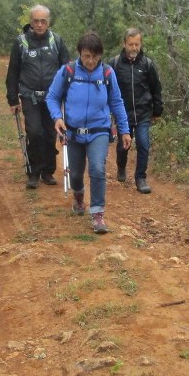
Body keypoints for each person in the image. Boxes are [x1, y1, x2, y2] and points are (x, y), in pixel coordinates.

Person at [47, 31, 131, 234]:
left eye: (95, 56)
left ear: (101, 55)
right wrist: (57, 117)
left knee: (97, 168)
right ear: (79, 53)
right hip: (73, 132)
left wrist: (124, 130)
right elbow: (52, 96)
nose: (91, 61)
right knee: (76, 173)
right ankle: (78, 195)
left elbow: (117, 103)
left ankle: (97, 214)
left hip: (99, 131)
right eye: (86, 55)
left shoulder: (108, 74)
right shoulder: (68, 71)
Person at [5, 5, 69, 189]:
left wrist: (68, 94)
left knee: (50, 133)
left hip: (52, 97)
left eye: (43, 21)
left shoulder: (56, 41)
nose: (40, 24)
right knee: (34, 132)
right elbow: (13, 72)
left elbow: (66, 69)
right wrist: (12, 99)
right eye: (36, 21)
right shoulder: (21, 43)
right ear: (30, 22)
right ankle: (33, 172)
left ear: (48, 22)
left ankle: (48, 171)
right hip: (29, 95)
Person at [109, 27, 164, 194]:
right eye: (131, 44)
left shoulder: (147, 64)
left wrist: (157, 110)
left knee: (143, 144)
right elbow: (107, 87)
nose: (134, 48)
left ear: (140, 44)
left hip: (143, 112)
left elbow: (156, 88)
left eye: (137, 44)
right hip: (122, 113)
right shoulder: (115, 63)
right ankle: (121, 167)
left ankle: (140, 177)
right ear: (124, 43)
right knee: (122, 145)